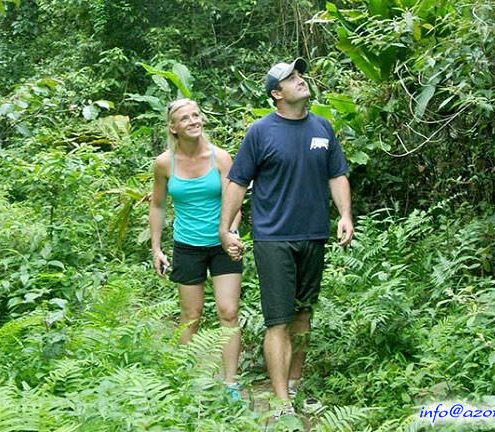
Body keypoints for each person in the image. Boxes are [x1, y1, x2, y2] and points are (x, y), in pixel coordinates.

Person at [219, 58, 354, 417]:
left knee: (303, 316)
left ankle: (295, 385)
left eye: (299, 75)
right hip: (273, 237)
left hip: (313, 235)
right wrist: (226, 227)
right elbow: (237, 182)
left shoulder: (323, 127)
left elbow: (337, 174)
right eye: (290, 79)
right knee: (277, 319)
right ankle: (281, 402)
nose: (300, 80)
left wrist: (345, 215)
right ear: (276, 93)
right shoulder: (260, 132)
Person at [149, 98, 243, 400]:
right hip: (186, 246)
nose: (193, 121)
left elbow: (235, 202)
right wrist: (156, 248)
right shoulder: (164, 163)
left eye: (196, 115)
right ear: (173, 127)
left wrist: (230, 233)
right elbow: (158, 205)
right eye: (185, 118)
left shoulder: (221, 158)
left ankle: (231, 384)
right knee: (191, 315)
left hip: (221, 244)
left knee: (228, 312)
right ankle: (185, 383)